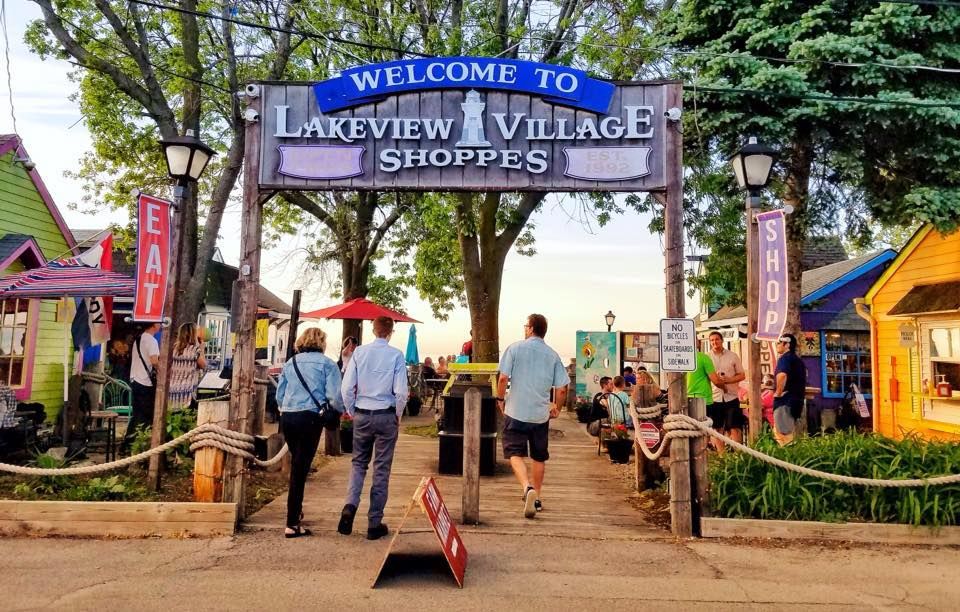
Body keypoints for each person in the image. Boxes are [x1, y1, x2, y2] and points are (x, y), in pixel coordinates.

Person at [338, 316, 408, 540]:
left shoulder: (359, 353)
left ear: (373, 329)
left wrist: (351, 410)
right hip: (385, 414)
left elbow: (347, 387)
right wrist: (397, 414)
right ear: (391, 332)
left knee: (358, 463)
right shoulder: (396, 355)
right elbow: (401, 392)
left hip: (362, 413)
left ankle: (350, 505)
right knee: (381, 468)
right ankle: (374, 522)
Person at [496, 313, 568, 519]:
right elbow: (562, 388)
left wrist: (500, 399)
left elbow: (503, 378)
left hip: (516, 411)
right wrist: (557, 408)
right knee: (539, 456)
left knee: (514, 453)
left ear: (529, 328)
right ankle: (536, 499)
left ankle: (527, 488)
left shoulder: (515, 348)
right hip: (539, 415)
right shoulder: (553, 355)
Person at [275, 327, 343, 538]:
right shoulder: (328, 365)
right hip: (310, 418)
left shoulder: (290, 363)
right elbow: (335, 397)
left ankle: (295, 512)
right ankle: (292, 522)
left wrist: (285, 407)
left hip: (288, 416)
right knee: (300, 469)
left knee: (297, 463)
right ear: (322, 342)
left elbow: (280, 394)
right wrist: (336, 413)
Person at [706, 331, 746, 453]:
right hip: (714, 397)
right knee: (717, 429)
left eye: (717, 339)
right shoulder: (707, 357)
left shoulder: (732, 356)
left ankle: (737, 456)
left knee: (734, 428)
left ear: (722, 340)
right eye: (712, 340)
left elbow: (742, 375)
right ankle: (722, 457)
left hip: (731, 396)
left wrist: (729, 380)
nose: (714, 342)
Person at [124, 322, 161, 449]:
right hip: (145, 382)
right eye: (158, 322)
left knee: (137, 414)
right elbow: (154, 361)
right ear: (153, 325)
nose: (160, 324)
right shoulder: (152, 341)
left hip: (135, 379)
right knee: (145, 415)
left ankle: (128, 443)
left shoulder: (138, 339)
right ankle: (135, 444)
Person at [773, 333, 807, 446]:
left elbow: (782, 375)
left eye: (779, 343)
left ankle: (785, 462)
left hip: (785, 402)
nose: (777, 345)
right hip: (796, 402)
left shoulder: (785, 359)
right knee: (788, 434)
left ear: (787, 345)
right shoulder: (797, 360)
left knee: (783, 437)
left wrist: (778, 392)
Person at [687, 350, 722, 449]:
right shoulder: (704, 358)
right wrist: (725, 388)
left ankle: (696, 453)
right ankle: (719, 457)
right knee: (711, 429)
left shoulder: (679, 359)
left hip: (686, 399)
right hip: (704, 399)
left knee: (692, 430)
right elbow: (716, 381)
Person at [168, 323, 207, 412]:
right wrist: (202, 349)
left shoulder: (174, 349)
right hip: (188, 391)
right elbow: (203, 365)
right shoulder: (194, 350)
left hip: (173, 389)